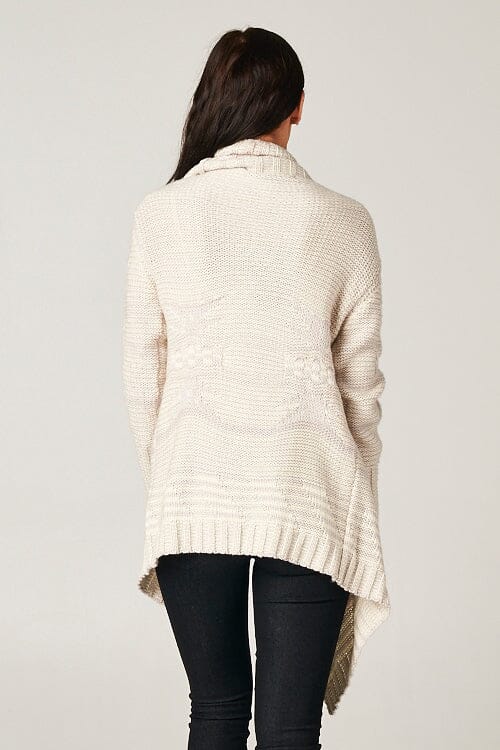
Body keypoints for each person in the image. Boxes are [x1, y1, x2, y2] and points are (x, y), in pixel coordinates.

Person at [122, 25, 391, 750]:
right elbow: (360, 390)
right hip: (309, 488)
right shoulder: (344, 221)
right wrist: (357, 498)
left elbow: (143, 376)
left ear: (212, 100)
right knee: (289, 729)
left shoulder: (161, 214)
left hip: (192, 489)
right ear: (297, 106)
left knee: (214, 710)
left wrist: (173, 480)